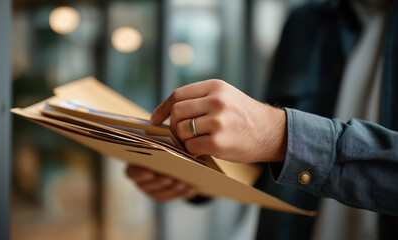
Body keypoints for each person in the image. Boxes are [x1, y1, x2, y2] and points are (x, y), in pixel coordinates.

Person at [126, 0, 398, 238]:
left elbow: (276, 140)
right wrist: (194, 172)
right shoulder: (306, 22)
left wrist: (281, 134)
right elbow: (269, 160)